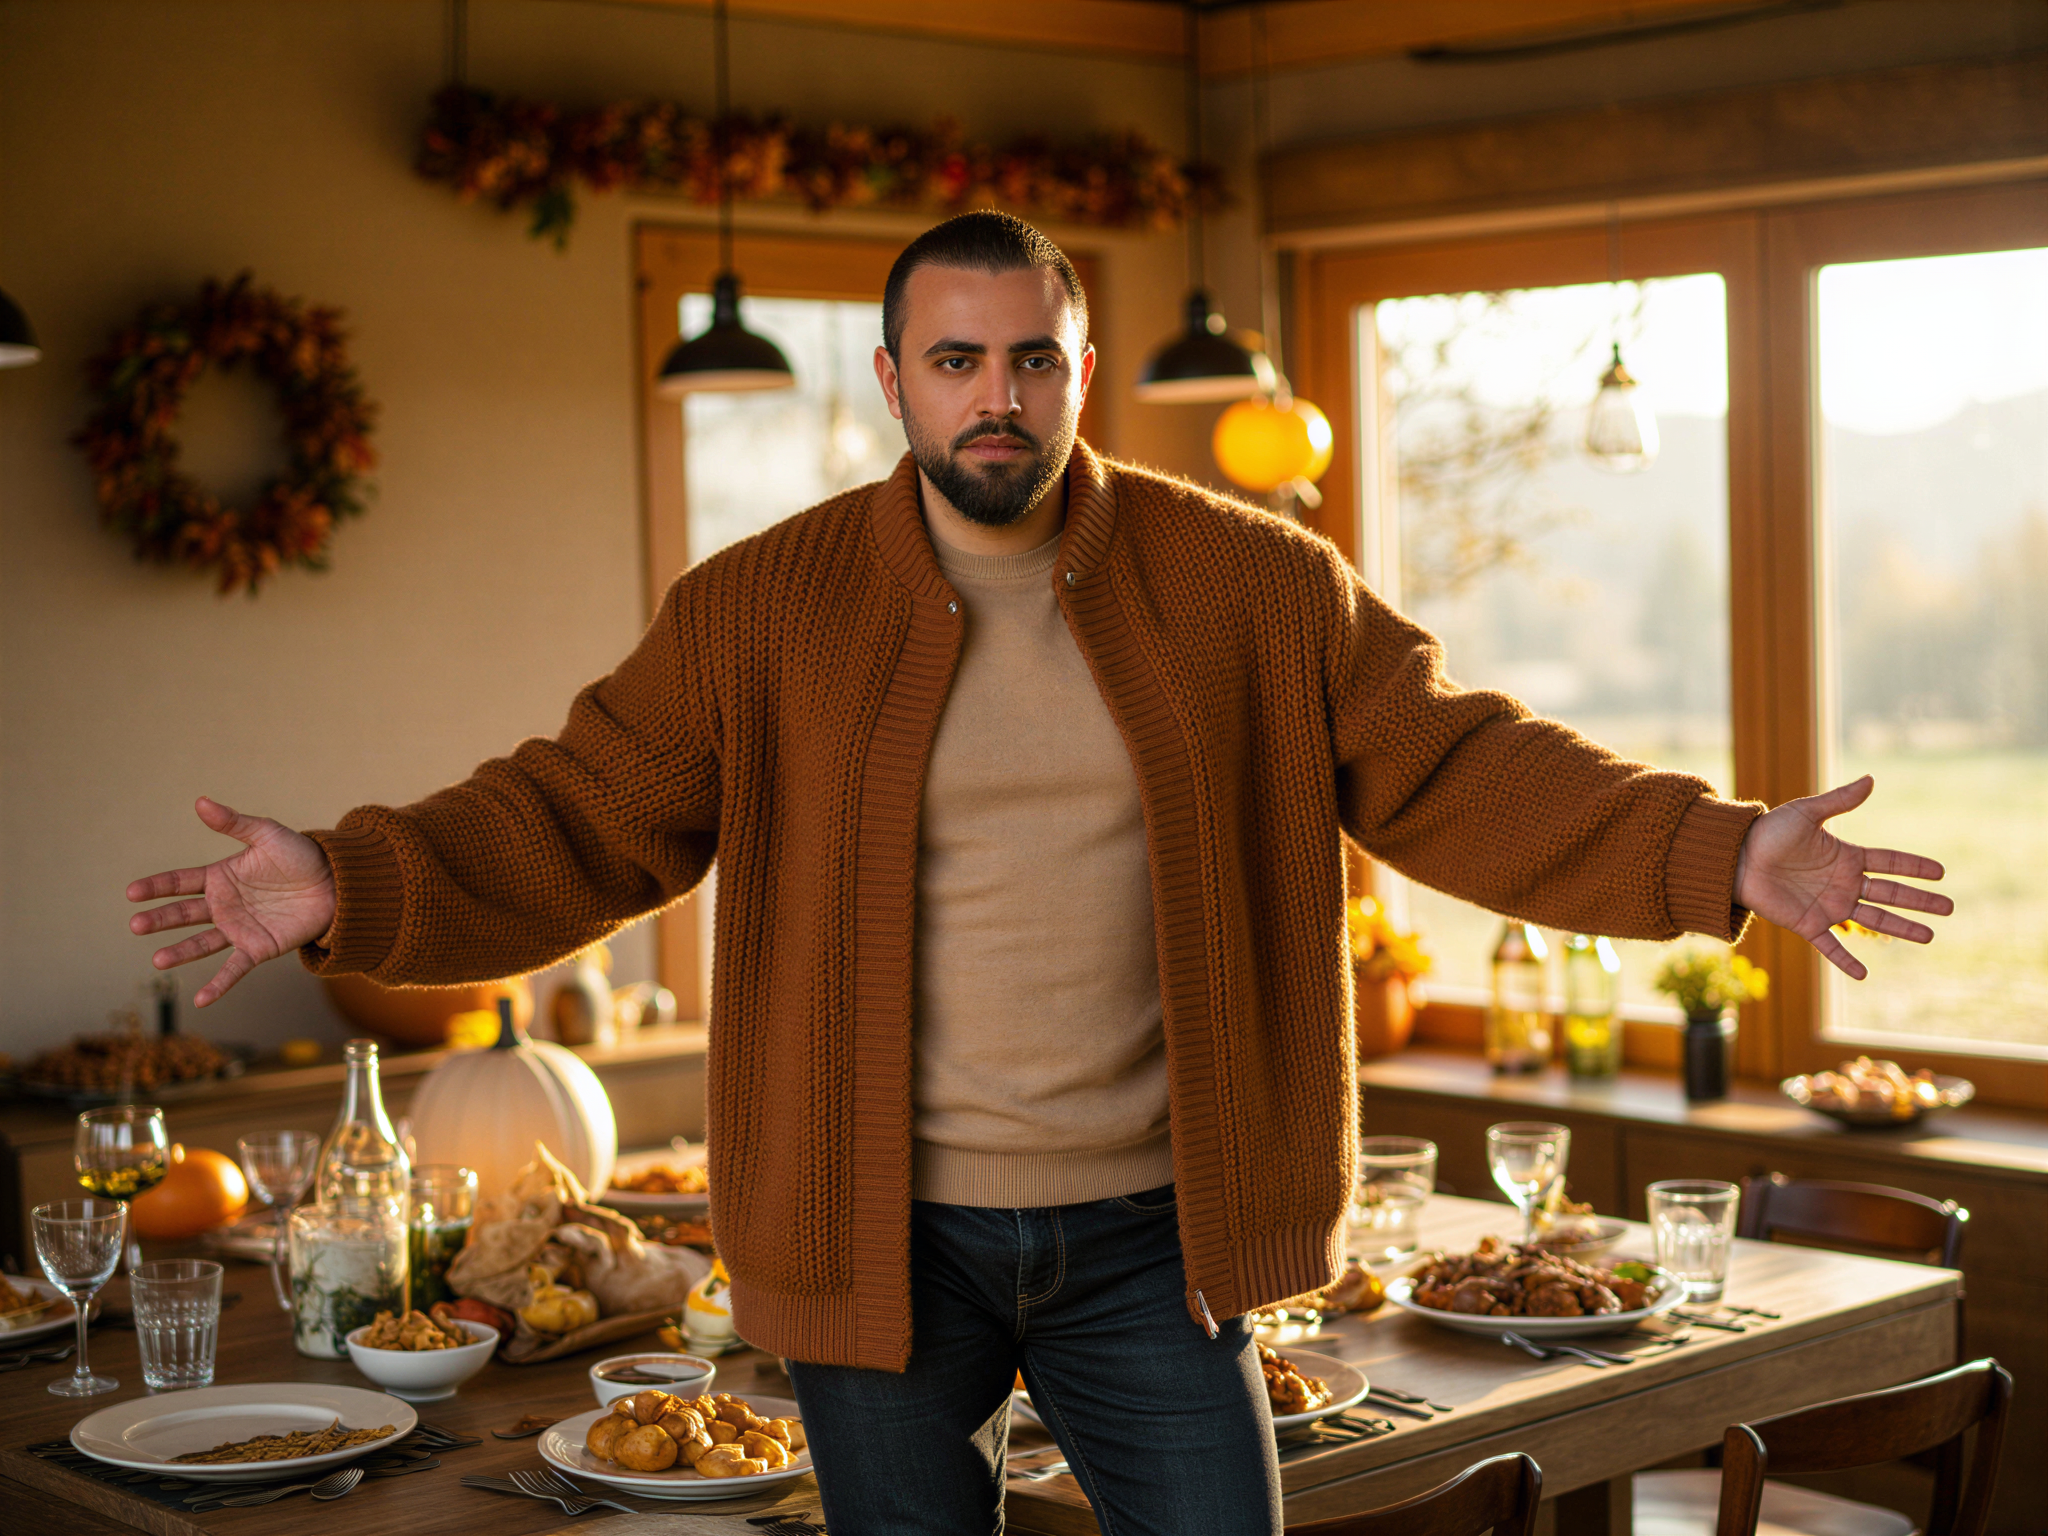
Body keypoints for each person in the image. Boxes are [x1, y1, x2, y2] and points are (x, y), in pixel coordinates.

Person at [125, 212, 1951, 1535]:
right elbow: (582, 806)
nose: (995, 397)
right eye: (956, 360)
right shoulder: (762, 609)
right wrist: (351, 885)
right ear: (895, 378)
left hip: (1158, 1243)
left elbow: (1462, 764)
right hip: (870, 1238)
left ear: (1078, 368)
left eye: (1028, 360)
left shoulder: (1251, 586)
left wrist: (1721, 850)